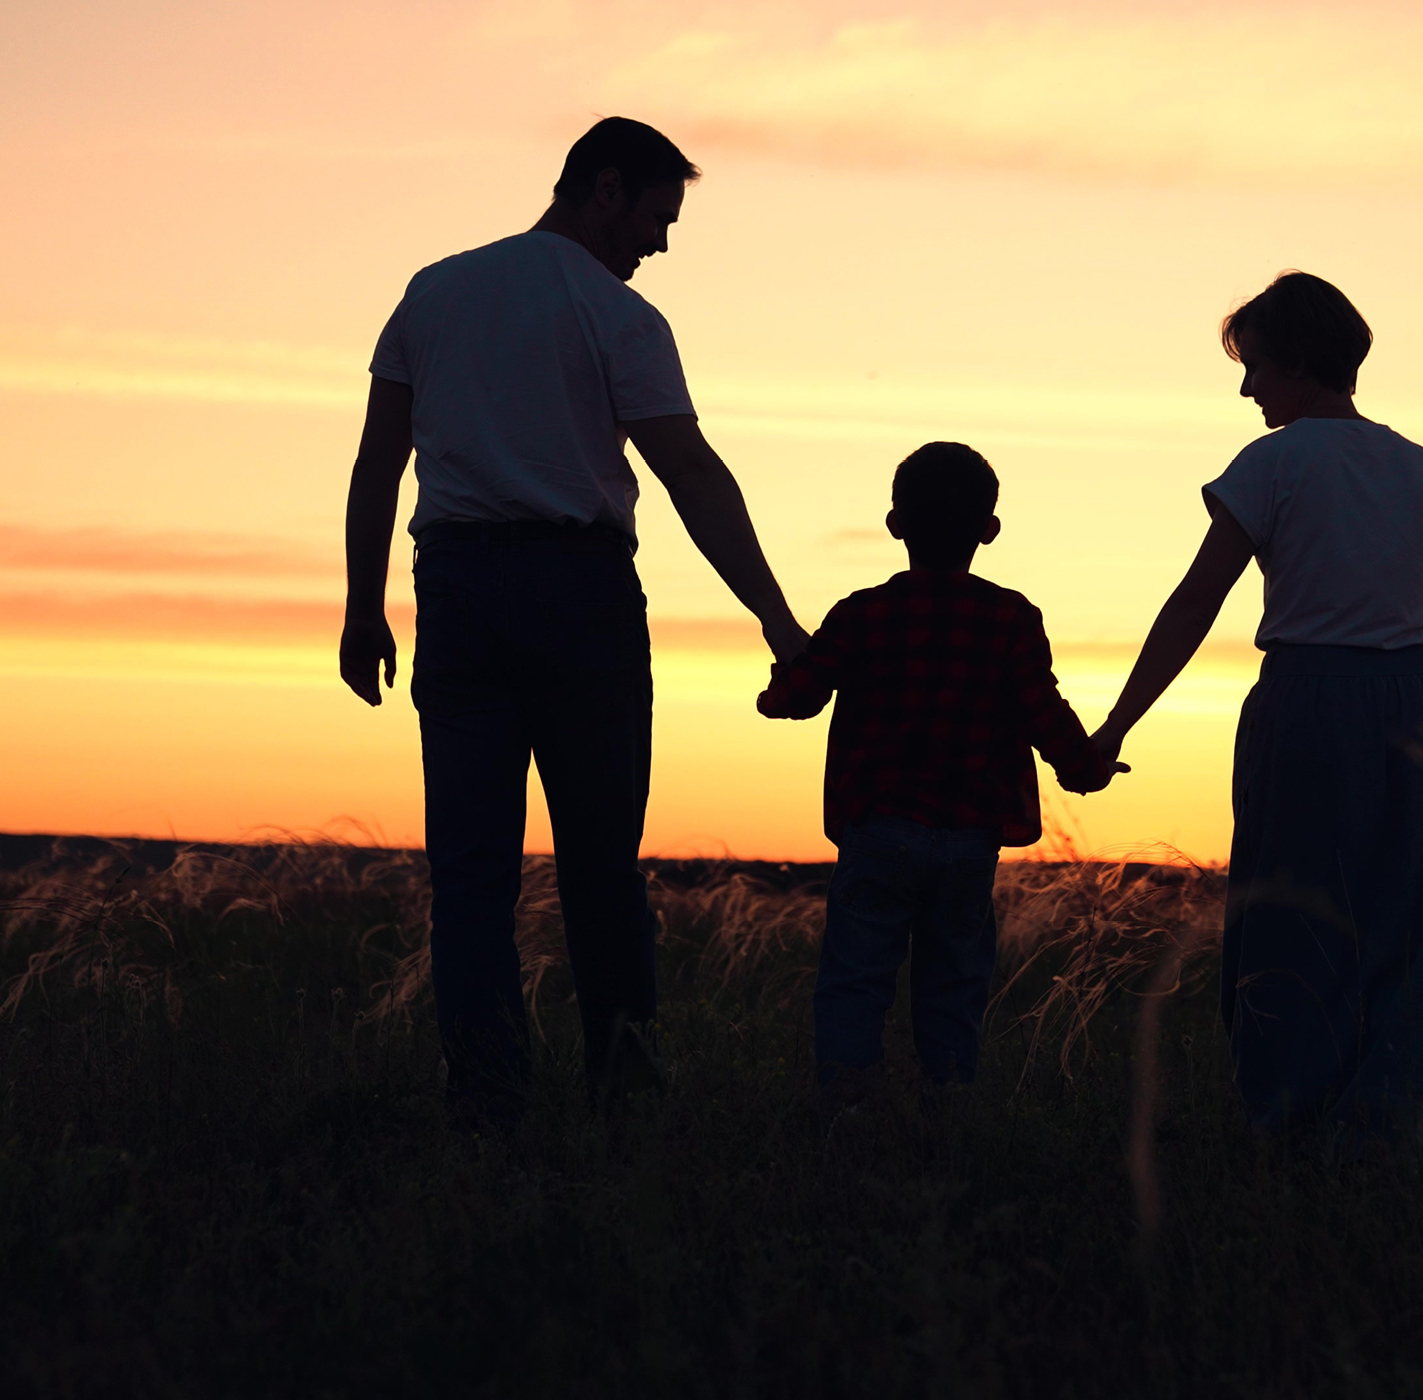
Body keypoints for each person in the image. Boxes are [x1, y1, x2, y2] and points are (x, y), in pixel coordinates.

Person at [339, 118, 808, 1116]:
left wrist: (361, 602)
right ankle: (625, 1085)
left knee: (469, 871)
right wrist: (777, 617)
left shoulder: (436, 289)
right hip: (579, 596)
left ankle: (487, 1094)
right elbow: (689, 473)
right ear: (605, 190)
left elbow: (380, 462)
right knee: (601, 863)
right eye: (656, 214)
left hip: (456, 594)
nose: (661, 242)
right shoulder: (616, 316)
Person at [1090, 272, 1423, 1159]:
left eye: (1255, 366)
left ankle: (1289, 1127)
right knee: (1413, 927)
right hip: (1419, 703)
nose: (1246, 388)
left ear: (1299, 360)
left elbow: (1192, 605)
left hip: (1312, 699)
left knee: (1291, 918)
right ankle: (1411, 1135)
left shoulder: (1271, 464)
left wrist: (1116, 726)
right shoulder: (1422, 468)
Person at [757, 443, 1115, 1090]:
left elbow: (796, 700)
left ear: (895, 523)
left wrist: (777, 681)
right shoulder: (1011, 618)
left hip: (875, 833)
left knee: (855, 982)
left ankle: (846, 1115)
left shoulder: (861, 613)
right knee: (954, 985)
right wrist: (1086, 768)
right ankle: (946, 1117)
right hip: (968, 841)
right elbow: (1044, 713)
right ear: (989, 530)